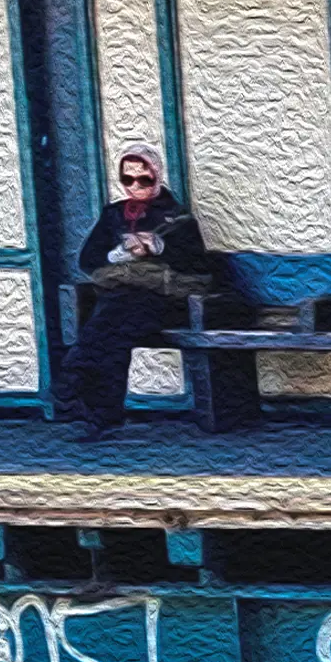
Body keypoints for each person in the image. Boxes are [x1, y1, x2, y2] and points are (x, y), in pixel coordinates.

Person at [53, 144, 215, 440]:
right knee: (114, 332)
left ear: (157, 176)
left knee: (110, 323)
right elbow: (88, 259)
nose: (136, 187)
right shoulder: (113, 214)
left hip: (162, 301)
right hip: (122, 302)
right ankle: (97, 409)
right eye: (128, 180)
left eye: (145, 180)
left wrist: (159, 247)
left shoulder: (177, 218)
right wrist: (117, 254)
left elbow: (198, 266)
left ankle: (76, 377)